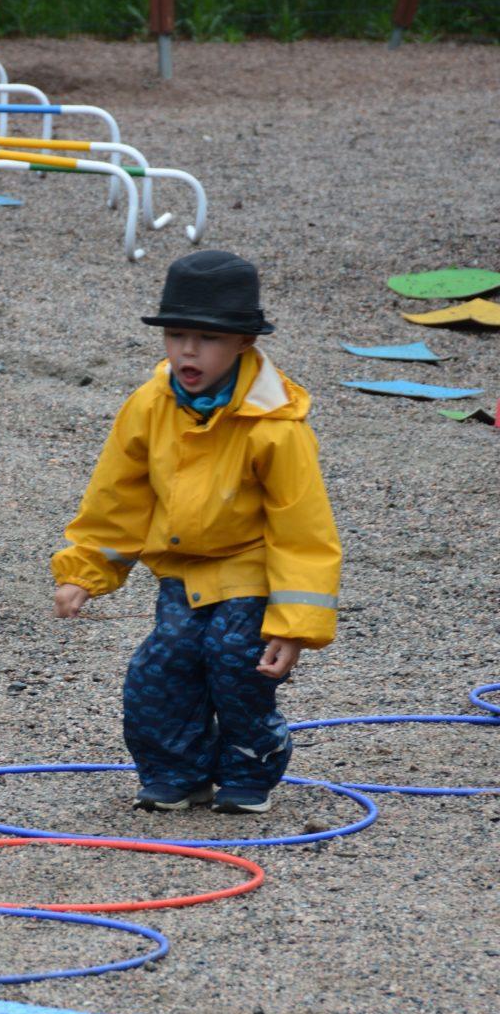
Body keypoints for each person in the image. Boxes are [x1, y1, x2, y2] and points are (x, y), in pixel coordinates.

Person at [52, 249, 340, 815]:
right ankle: (178, 773)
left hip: (251, 569)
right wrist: (86, 570)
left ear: (242, 344)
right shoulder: (149, 405)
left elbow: (302, 529)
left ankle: (249, 765)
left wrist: (295, 626)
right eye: (177, 335)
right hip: (182, 573)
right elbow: (119, 497)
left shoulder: (276, 428)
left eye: (206, 338)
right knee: (161, 669)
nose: (188, 350)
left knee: (235, 662)